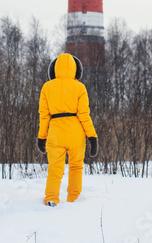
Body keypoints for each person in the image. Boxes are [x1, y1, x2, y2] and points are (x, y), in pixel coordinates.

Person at [37, 53, 98, 206]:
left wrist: (41, 137)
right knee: (76, 166)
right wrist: (92, 137)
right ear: (76, 69)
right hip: (75, 132)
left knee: (54, 169)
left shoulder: (47, 87)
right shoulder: (79, 87)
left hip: (55, 132)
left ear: (54, 69)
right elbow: (84, 115)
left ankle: (51, 198)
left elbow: (44, 116)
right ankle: (74, 199)